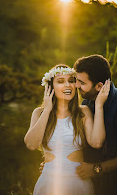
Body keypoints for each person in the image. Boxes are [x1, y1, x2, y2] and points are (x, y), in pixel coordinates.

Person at [24, 64, 110, 195]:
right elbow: (31, 144)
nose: (68, 85)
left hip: (78, 183)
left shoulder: (83, 112)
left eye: (71, 81)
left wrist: (99, 106)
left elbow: (97, 142)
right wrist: (47, 110)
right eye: (60, 81)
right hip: (48, 183)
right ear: (50, 87)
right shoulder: (39, 113)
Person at [74, 55, 117, 195]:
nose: (77, 86)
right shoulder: (87, 102)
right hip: (92, 184)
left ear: (99, 86)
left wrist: (97, 169)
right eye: (77, 81)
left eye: (82, 83)